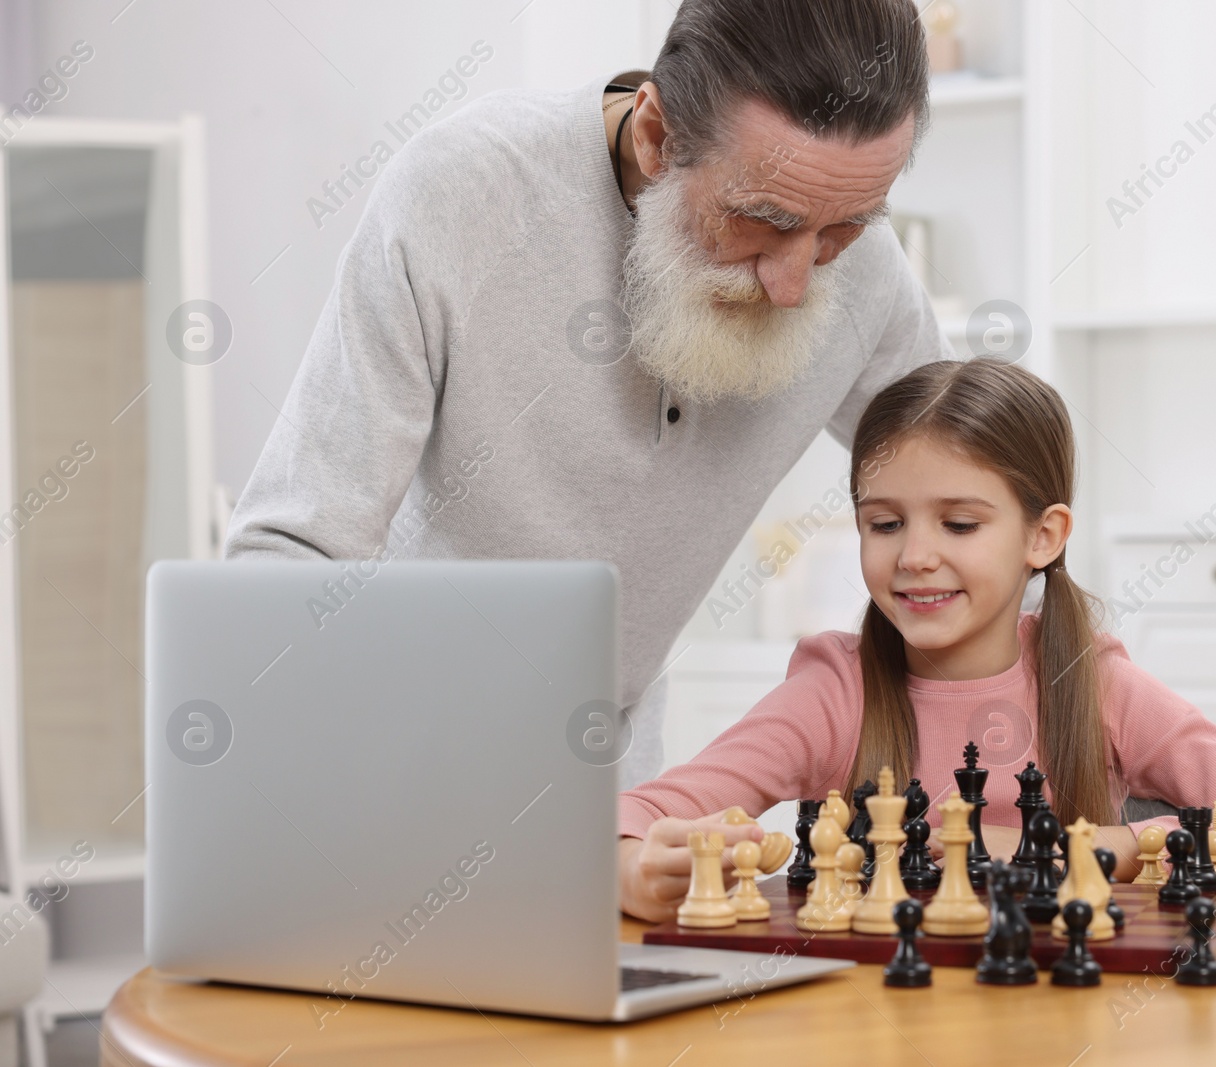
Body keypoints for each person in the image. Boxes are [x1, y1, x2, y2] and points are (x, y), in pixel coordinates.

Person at [223, 0, 956, 789]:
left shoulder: (866, 271)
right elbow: (292, 552)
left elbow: (979, 490)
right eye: (761, 222)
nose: (793, 283)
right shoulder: (462, 193)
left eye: (843, 230)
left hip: (611, 804)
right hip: (388, 774)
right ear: (655, 135)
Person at [616, 358, 1216, 922]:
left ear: (1043, 535)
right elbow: (631, 818)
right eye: (884, 522)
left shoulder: (1092, 682)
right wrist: (631, 870)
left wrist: (1111, 848)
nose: (914, 555)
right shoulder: (835, 690)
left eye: (960, 523)